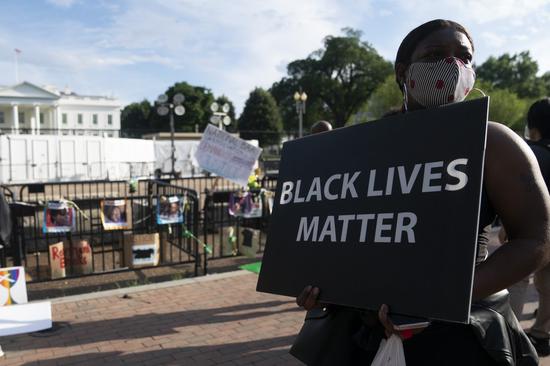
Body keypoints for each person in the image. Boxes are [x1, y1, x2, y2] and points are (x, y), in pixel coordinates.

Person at [295, 19, 550, 365]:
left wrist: (442, 296)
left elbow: (537, 239)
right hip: (363, 333)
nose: (452, 65)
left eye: (464, 56)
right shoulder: (367, 144)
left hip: (460, 336)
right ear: (403, 72)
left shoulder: (492, 141)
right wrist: (326, 283)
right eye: (435, 54)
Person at [506, 98, 550, 356]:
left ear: (533, 128)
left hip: (529, 231)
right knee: (548, 286)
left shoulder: (527, 151)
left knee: (518, 279)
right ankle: (541, 334)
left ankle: (509, 334)